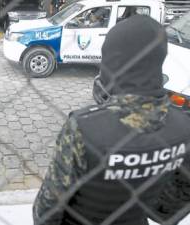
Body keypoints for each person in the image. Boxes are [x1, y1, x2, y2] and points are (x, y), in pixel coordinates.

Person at [33, 15, 190, 225]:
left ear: (112, 61)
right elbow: (168, 212)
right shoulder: (183, 127)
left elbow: (46, 213)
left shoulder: (85, 128)